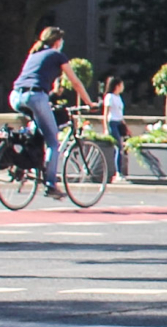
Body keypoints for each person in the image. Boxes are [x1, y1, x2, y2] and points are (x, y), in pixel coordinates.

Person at [8, 25, 93, 200]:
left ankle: (21, 164)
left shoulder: (35, 54)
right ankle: (51, 184)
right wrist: (89, 103)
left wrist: (54, 93)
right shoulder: (57, 55)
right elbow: (75, 82)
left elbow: (40, 78)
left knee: (36, 130)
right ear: (57, 41)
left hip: (16, 96)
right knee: (53, 142)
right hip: (35, 96)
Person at [102, 75, 128, 175]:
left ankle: (119, 170)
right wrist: (105, 127)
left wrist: (125, 125)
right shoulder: (109, 97)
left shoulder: (118, 97)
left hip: (119, 122)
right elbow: (106, 113)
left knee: (121, 147)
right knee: (118, 147)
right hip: (112, 122)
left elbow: (120, 113)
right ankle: (118, 172)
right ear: (117, 86)